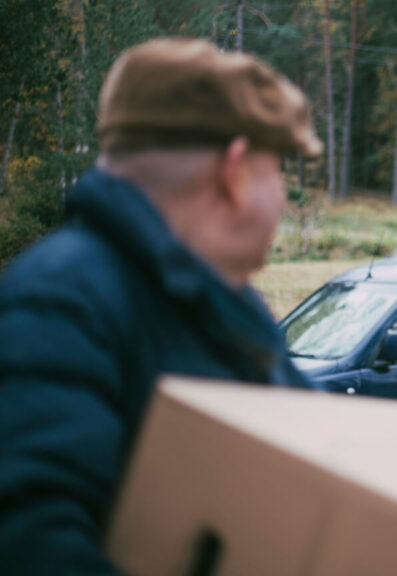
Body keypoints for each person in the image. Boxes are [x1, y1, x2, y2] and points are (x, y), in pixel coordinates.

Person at [0, 38, 322, 575]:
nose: (283, 198)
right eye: (279, 173)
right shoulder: (59, 300)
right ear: (235, 172)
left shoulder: (230, 307)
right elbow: (32, 542)